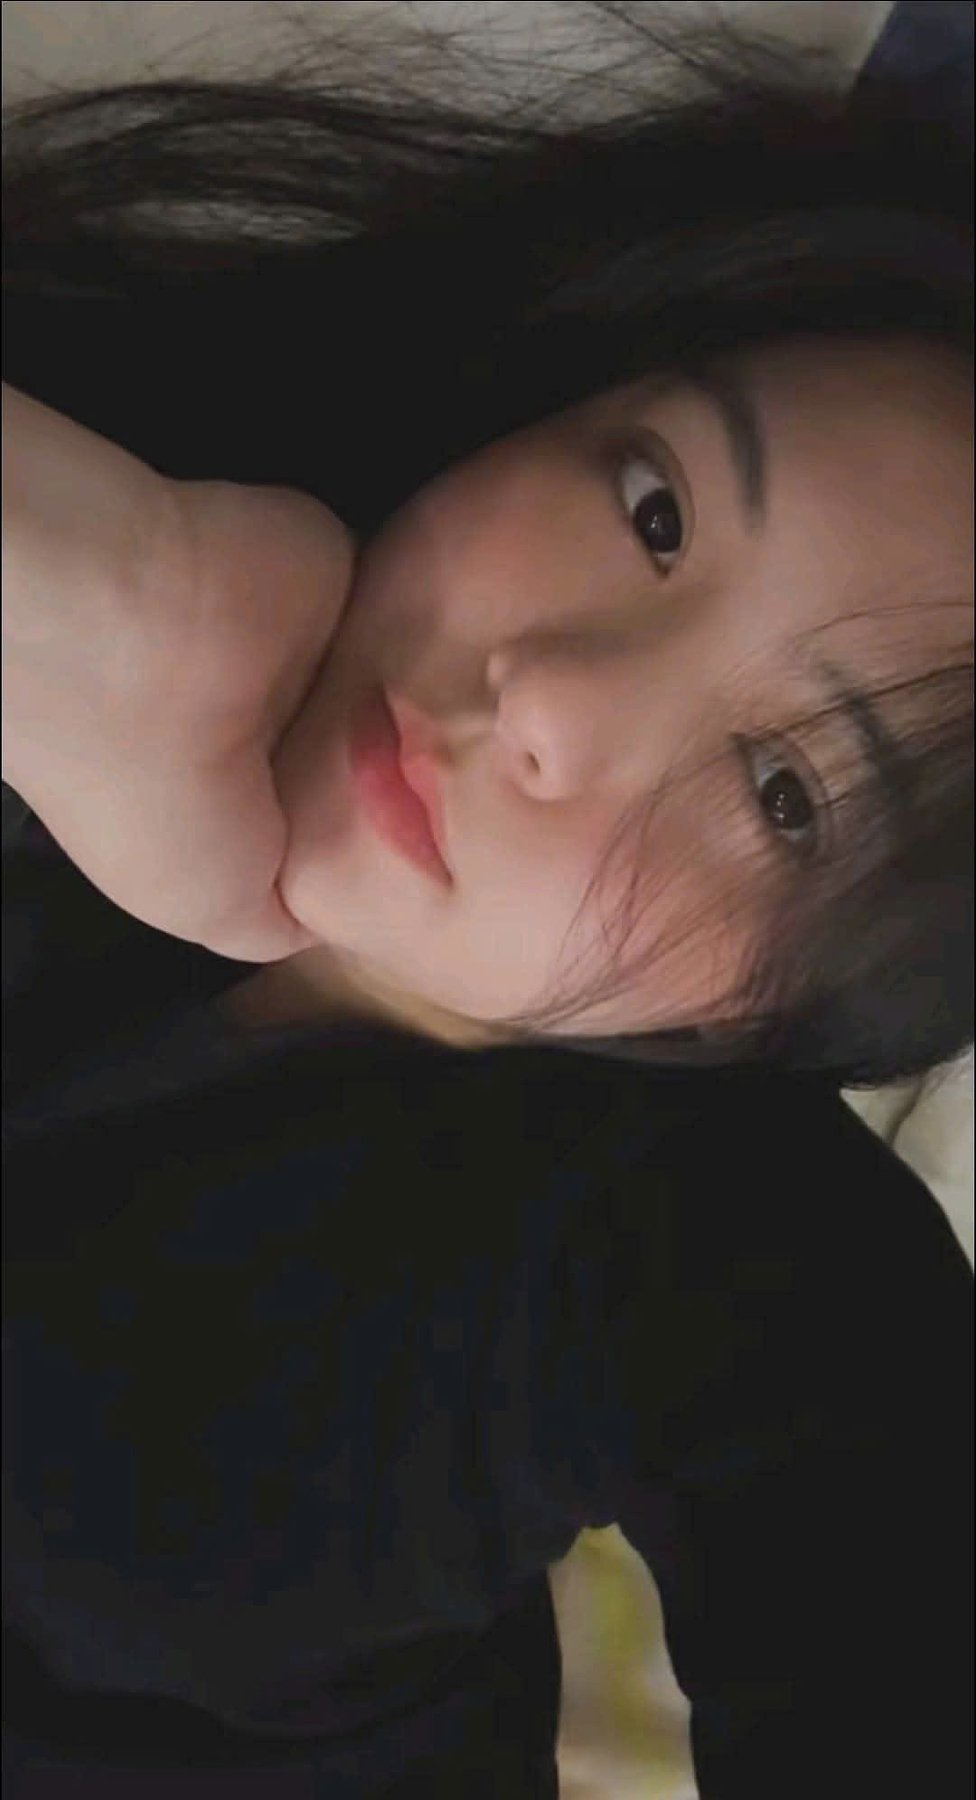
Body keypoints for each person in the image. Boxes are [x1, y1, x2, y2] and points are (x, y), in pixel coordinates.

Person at [3, 8, 973, 1795]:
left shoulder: (695, 1238)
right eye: (655, 511)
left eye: (785, 795)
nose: (552, 701)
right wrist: (98, 588)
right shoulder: (163, 464)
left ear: (787, 1004)